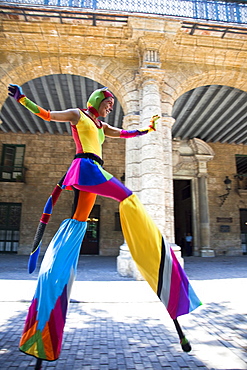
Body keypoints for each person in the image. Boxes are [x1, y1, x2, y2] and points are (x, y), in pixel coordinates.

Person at [8, 83, 201, 364]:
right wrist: (22, 99)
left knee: (78, 223)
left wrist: (148, 129)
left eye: (112, 104)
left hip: (91, 171)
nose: (111, 107)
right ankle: (153, 252)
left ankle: (47, 301)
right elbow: (48, 115)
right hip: (86, 167)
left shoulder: (101, 125)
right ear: (97, 100)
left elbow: (125, 133)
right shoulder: (78, 115)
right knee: (129, 198)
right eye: (108, 103)